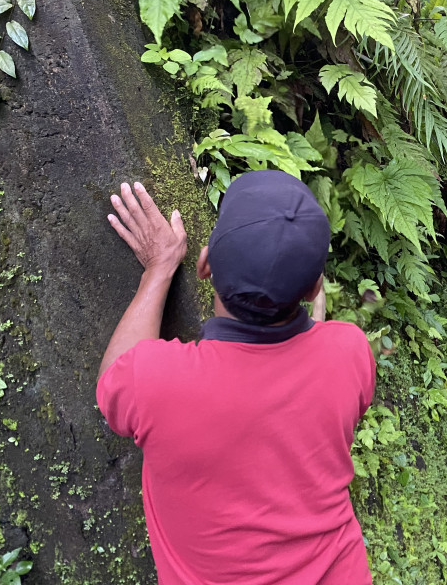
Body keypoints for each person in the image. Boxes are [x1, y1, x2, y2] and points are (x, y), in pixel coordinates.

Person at [97, 172, 376, 584]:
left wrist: (159, 268)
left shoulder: (155, 382)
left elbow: (112, 385)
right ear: (316, 287)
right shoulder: (351, 352)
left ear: (205, 265)